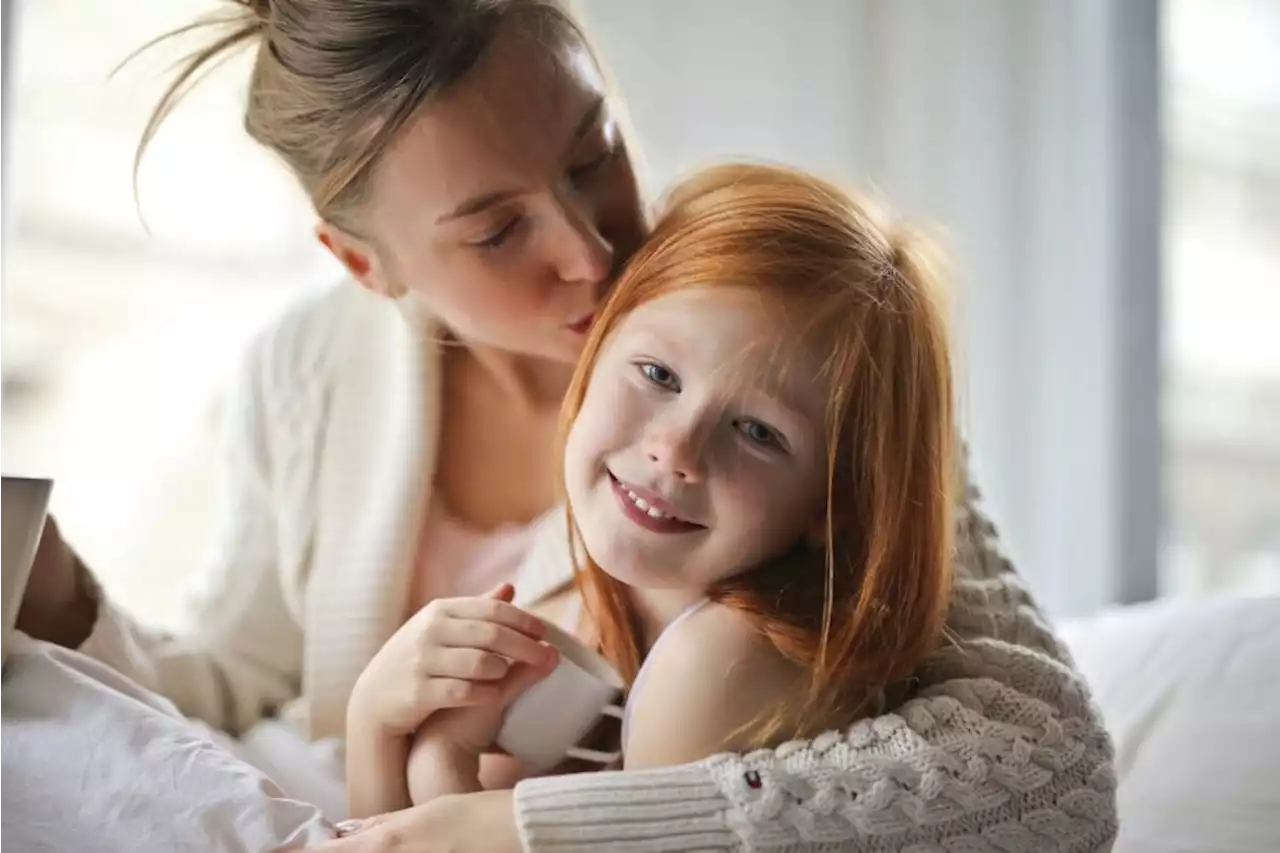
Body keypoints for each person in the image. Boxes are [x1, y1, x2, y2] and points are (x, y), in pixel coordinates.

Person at [16, 1, 1118, 850]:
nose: (593, 251)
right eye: (496, 231)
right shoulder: (308, 368)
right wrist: (61, 600)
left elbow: (1045, 764)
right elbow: (238, 684)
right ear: (365, 263)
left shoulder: (774, 328)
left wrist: (533, 832)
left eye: (593, 154)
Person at [357, 161, 959, 813]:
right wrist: (375, 723)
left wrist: (439, 764)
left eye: (758, 430)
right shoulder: (582, 603)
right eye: (657, 373)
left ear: (831, 503)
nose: (674, 451)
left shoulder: (721, 664)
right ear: (593, 355)